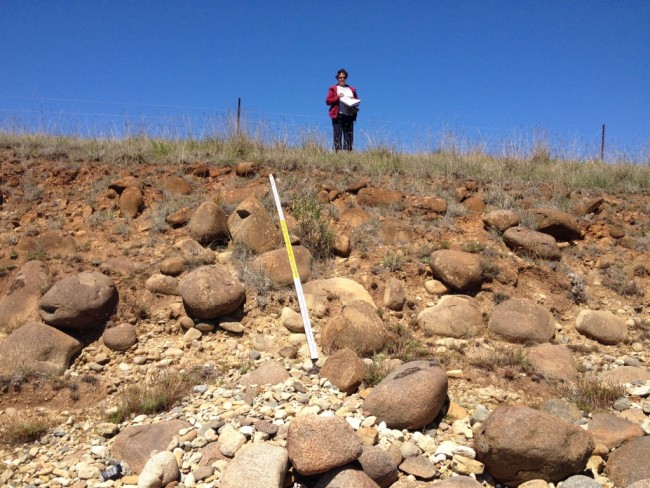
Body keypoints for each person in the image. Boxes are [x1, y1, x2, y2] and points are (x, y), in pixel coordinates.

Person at [326, 68, 359, 151]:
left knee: (349, 135)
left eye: (344, 77)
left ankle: (348, 153)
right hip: (338, 114)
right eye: (340, 77)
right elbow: (328, 101)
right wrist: (337, 97)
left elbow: (357, 99)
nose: (342, 79)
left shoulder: (351, 89)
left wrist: (354, 102)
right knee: (337, 134)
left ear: (346, 78)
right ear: (337, 78)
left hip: (349, 114)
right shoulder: (334, 88)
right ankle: (337, 152)